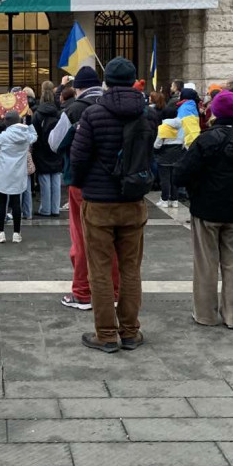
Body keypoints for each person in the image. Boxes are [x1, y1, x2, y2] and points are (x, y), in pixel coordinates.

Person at [70, 57, 156, 353]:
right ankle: (130, 331)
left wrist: (84, 183)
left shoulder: (93, 114)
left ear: (106, 82)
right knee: (131, 269)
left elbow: (78, 158)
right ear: (134, 81)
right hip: (132, 200)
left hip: (99, 202)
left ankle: (106, 333)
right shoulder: (147, 115)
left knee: (100, 270)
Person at [174, 91, 233, 330]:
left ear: (215, 112)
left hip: (207, 208)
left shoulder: (206, 139)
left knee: (206, 263)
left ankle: (205, 314)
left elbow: (181, 173)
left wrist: (195, 186)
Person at [48, 66, 119, 312]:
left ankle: (82, 292)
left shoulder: (75, 109)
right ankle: (115, 291)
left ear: (78, 88)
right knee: (115, 240)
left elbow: (54, 143)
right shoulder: (119, 105)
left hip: (82, 183)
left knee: (82, 239)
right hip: (118, 183)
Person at [0, 110, 37, 243]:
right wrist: (30, 123)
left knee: (1, 202)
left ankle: (0, 233)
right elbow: (34, 136)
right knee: (16, 202)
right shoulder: (26, 136)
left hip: (3, 173)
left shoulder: (4, 136)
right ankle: (16, 234)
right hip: (18, 173)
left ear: (7, 122)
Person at [32, 80, 63, 217]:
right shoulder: (58, 112)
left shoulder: (37, 113)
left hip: (41, 149)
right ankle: (55, 209)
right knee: (56, 178)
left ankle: (45, 209)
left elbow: (33, 134)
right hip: (55, 148)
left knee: (44, 179)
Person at [154, 104, 185, 208]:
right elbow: (184, 141)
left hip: (164, 155)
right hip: (178, 155)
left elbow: (157, 144)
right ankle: (175, 200)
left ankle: (164, 199)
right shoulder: (182, 126)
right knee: (174, 178)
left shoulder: (163, 127)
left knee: (165, 179)